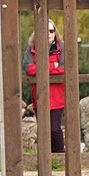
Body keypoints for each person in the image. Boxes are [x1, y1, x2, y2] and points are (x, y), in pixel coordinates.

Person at [22, 20, 67, 153]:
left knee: (54, 128)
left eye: (51, 31)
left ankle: (59, 155)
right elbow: (28, 68)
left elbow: (65, 68)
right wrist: (53, 66)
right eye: (45, 31)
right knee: (42, 129)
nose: (48, 34)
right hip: (39, 95)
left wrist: (41, 68)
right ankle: (45, 155)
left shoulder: (61, 47)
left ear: (55, 32)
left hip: (58, 95)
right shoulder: (31, 47)